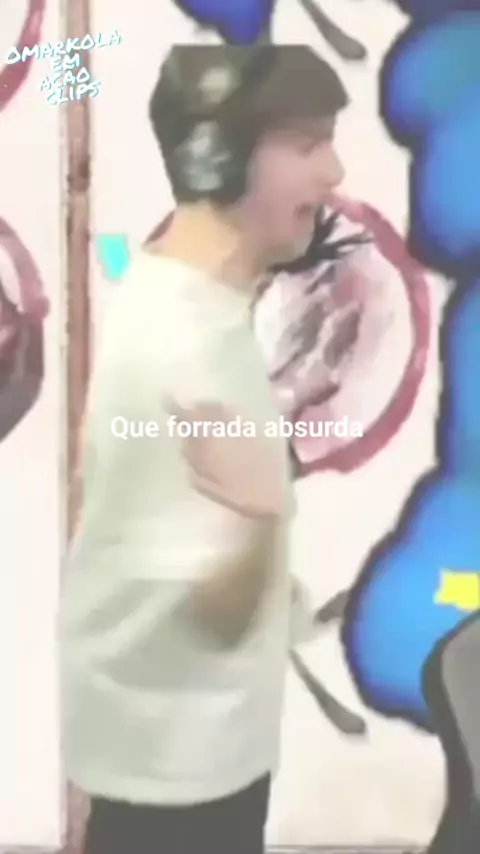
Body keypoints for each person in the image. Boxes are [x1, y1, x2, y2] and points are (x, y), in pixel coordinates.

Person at [60, 43, 346, 854]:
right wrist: (259, 516)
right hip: (179, 771)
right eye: (306, 144)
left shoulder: (191, 299)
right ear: (215, 159)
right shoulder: (181, 348)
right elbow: (208, 614)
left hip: (186, 744)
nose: (333, 173)